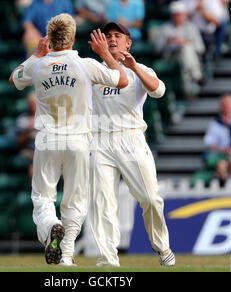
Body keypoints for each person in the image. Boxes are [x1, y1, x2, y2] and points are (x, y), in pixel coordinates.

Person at [9, 13, 128, 266]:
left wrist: (36, 54)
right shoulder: (86, 64)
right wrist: (106, 53)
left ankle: (52, 225)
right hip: (78, 141)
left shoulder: (38, 65)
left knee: (42, 197)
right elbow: (122, 80)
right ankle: (65, 256)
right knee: (75, 200)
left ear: (49, 39)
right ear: (73, 38)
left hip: (47, 141)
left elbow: (14, 79)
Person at [90, 22, 175, 267]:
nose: (112, 39)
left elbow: (159, 91)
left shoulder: (141, 69)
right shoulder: (95, 70)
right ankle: (108, 258)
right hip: (101, 139)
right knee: (103, 202)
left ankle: (163, 247)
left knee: (150, 199)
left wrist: (135, 67)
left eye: (117, 36)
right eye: (108, 36)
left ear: (129, 42)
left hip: (131, 137)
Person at [156, 1, 205, 97]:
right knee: (185, 52)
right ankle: (196, 75)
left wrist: (186, 43)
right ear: (172, 15)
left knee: (186, 50)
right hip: (171, 57)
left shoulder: (192, 27)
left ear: (185, 15)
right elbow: (158, 49)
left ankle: (186, 90)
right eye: (175, 15)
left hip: (189, 58)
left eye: (180, 14)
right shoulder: (166, 28)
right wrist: (171, 43)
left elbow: (200, 48)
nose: (178, 17)